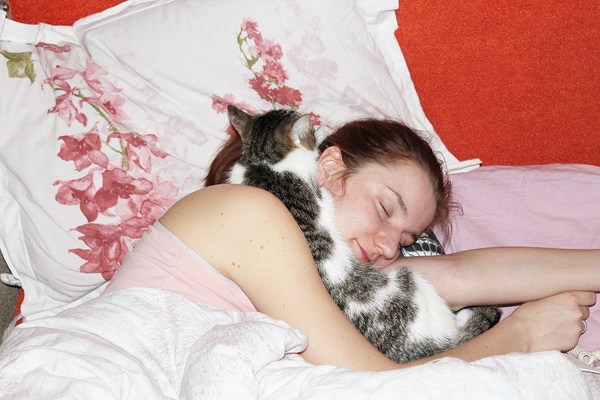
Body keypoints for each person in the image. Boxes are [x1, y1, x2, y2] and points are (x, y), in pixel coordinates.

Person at [105, 117, 599, 372]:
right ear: (330, 168)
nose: (389, 247)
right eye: (385, 208)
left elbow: (460, 274)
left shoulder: (332, 269)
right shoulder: (247, 209)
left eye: (406, 240)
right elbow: (372, 383)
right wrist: (520, 336)